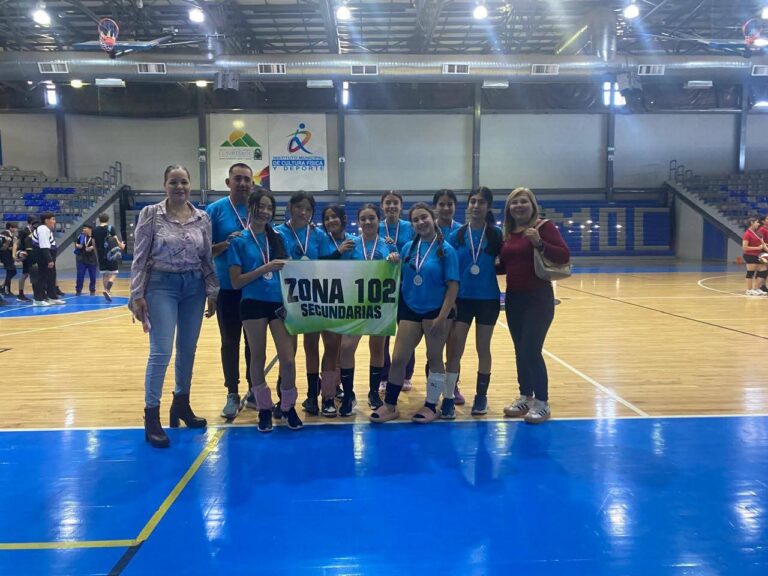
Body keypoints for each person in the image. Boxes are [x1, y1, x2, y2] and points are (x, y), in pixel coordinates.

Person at [130, 165, 218, 448]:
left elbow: (207, 258)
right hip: (160, 286)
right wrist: (136, 293)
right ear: (164, 185)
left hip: (194, 287)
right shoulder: (150, 214)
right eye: (173, 182)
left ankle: (181, 404)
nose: (179, 187)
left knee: (188, 350)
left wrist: (212, 290)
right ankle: (151, 416)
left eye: (183, 182)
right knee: (161, 351)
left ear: (190, 184)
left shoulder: (202, 218)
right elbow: (140, 256)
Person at [370, 202, 459, 424]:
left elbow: (453, 286)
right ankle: (390, 405)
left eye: (424, 218)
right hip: (410, 308)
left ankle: (431, 405)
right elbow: (398, 274)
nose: (420, 222)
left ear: (433, 218)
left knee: (434, 357)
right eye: (416, 220)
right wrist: (392, 261)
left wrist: (442, 316)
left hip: (436, 311)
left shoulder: (446, 250)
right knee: (399, 358)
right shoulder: (409, 247)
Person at [229, 187, 303, 432]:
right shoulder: (239, 240)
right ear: (251, 208)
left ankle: (287, 406)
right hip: (252, 303)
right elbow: (236, 281)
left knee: (288, 360)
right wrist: (264, 268)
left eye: (269, 208)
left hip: (279, 303)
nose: (264, 211)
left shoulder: (278, 238)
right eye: (260, 206)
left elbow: (290, 268)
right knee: (257, 357)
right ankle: (263, 408)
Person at [499, 187, 569, 424]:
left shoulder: (543, 227)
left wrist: (540, 244)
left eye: (523, 202)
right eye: (514, 202)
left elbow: (563, 255)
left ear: (532, 205)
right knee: (520, 349)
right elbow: (505, 266)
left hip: (538, 298)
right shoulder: (509, 233)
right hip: (514, 298)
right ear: (509, 208)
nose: (518, 206)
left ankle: (542, 402)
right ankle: (525, 396)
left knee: (531, 349)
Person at [444, 187, 503, 418]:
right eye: (472, 202)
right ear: (467, 206)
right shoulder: (456, 235)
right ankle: (448, 397)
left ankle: (481, 396)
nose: (476, 206)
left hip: (488, 299)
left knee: (483, 348)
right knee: (455, 350)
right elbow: (450, 270)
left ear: (488, 207)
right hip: (463, 300)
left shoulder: (496, 235)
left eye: (481, 202)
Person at [339, 204, 399, 415]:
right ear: (358, 221)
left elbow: (396, 270)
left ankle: (373, 392)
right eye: (363, 218)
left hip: (379, 305)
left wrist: (394, 260)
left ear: (378, 220)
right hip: (354, 304)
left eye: (371, 218)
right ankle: (348, 395)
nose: (367, 222)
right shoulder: (350, 245)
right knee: (346, 348)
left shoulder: (388, 245)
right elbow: (338, 271)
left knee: (377, 349)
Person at [206, 163, 255, 418]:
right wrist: (226, 244)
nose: (243, 183)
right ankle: (232, 392)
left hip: (254, 287)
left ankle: (254, 388)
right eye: (238, 179)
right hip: (227, 287)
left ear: (253, 184)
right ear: (228, 182)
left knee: (254, 342)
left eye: (247, 179)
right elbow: (202, 251)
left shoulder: (257, 209)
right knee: (230, 341)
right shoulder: (214, 211)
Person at [276, 192, 326, 416]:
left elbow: (328, 264)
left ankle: (312, 396)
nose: (303, 212)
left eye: (307, 209)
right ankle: (283, 399)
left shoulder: (318, 235)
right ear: (290, 207)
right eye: (298, 207)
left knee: (311, 347)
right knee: (288, 352)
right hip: (287, 299)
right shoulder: (278, 232)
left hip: (313, 298)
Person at [317, 205, 355, 417]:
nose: (331, 220)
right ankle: (327, 396)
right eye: (327, 218)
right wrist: (336, 252)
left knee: (344, 349)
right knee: (331, 348)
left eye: (334, 217)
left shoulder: (354, 240)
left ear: (343, 219)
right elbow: (315, 264)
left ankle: (339, 387)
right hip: (327, 300)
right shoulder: (320, 240)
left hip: (349, 301)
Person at [379, 191, 416, 391]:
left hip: (407, 288)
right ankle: (384, 375)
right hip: (384, 289)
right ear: (382, 206)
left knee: (407, 332)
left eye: (395, 203)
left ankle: (406, 374)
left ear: (401, 206)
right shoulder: (376, 227)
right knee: (383, 333)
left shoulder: (410, 228)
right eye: (388, 203)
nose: (391, 206)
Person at [430, 189, 465, 403]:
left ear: (455, 207)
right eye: (441, 204)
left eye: (449, 204)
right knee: (434, 345)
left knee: (454, 342)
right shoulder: (426, 229)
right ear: (435, 207)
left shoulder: (463, 232)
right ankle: (433, 383)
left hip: (455, 293)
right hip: (432, 295)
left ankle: (453, 385)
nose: (445, 208)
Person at [31, 212, 65, 307]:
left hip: (48, 257)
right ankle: (38, 299)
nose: (54, 221)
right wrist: (49, 260)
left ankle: (52, 297)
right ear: (46, 220)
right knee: (42, 278)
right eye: (53, 219)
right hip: (43, 258)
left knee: (51, 278)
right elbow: (44, 246)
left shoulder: (46, 229)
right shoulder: (42, 229)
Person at [93, 212, 125, 302]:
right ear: (107, 219)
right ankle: (107, 289)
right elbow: (116, 240)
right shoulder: (110, 228)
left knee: (104, 274)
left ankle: (107, 291)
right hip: (110, 253)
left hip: (100, 254)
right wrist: (121, 245)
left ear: (99, 220)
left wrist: (97, 253)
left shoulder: (95, 230)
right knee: (114, 273)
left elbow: (93, 244)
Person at [742, 217, 768, 296]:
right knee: (750, 272)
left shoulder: (757, 233)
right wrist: (757, 248)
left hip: (757, 255)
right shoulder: (747, 233)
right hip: (750, 255)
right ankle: (749, 290)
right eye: (757, 222)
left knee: (763, 270)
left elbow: (763, 244)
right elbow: (744, 248)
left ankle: (756, 288)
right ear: (751, 223)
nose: (758, 224)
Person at [14, 215, 36, 302]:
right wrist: (15, 254)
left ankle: (37, 293)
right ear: (30, 222)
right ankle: (20, 294)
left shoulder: (34, 230)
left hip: (33, 255)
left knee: (33, 274)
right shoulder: (24, 231)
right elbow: (17, 242)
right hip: (26, 255)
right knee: (25, 274)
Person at [74, 224, 98, 296]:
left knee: (93, 276)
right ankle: (78, 290)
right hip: (81, 259)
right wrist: (78, 246)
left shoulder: (94, 237)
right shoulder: (81, 236)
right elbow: (76, 244)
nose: (84, 230)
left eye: (85, 228)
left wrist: (92, 247)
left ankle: (92, 290)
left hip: (92, 259)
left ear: (90, 229)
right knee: (80, 276)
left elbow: (97, 245)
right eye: (83, 228)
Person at [0, 223, 17, 298]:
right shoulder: (4, 234)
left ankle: (7, 290)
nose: (16, 229)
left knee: (9, 272)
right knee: (13, 271)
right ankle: (3, 287)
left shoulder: (11, 235)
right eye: (14, 228)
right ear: (10, 227)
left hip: (8, 255)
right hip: (5, 255)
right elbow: (2, 246)